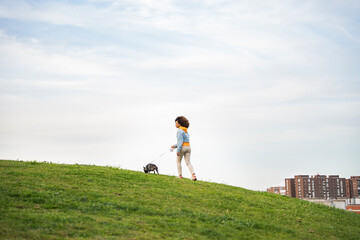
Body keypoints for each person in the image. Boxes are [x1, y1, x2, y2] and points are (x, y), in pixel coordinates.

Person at [170, 116, 197, 181]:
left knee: (178, 161)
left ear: (180, 124)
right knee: (188, 162)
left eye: (176, 123)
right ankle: (193, 175)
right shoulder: (186, 131)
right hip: (188, 147)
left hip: (182, 148)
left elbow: (180, 142)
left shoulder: (179, 131)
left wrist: (178, 150)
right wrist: (174, 146)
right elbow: (183, 141)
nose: (175, 124)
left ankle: (180, 175)